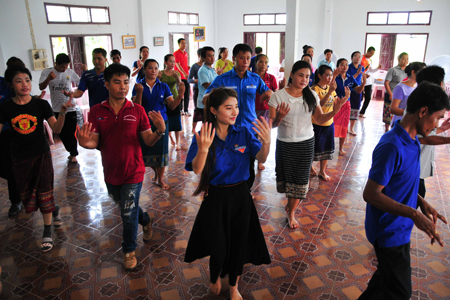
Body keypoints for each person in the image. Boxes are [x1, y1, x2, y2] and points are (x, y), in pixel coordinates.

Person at [358, 81, 449, 300]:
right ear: (423, 111)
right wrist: (413, 213)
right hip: (389, 231)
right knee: (400, 292)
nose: (437, 124)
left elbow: (398, 183)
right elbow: (370, 194)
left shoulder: (413, 139)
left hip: (400, 227)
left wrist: (420, 201)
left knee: (383, 283)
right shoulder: (392, 146)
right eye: (437, 117)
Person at [185, 87, 272, 299]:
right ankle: (214, 274)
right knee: (219, 245)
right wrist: (204, 149)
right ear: (214, 110)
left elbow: (261, 157)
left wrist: (267, 141)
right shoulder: (205, 135)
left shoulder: (243, 132)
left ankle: (233, 287)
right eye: (228, 108)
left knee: (238, 245)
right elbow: (196, 169)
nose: (235, 112)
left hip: (241, 197)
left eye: (236, 107)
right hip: (216, 198)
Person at [78, 64, 166, 270]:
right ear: (107, 84)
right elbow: (95, 141)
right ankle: (146, 220)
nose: (123, 86)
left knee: (127, 214)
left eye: (126, 82)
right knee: (128, 207)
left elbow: (148, 140)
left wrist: (160, 131)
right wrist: (84, 143)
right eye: (117, 82)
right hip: (111, 172)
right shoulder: (97, 111)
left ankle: (128, 250)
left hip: (134, 170)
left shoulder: (137, 110)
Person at [269, 60, 346, 229]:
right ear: (292, 75)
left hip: (306, 142)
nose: (304, 79)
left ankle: (291, 212)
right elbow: (272, 124)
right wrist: (280, 117)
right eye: (301, 75)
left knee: (301, 180)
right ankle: (290, 206)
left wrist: (334, 111)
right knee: (289, 179)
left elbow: (318, 119)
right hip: (285, 143)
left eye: (307, 76)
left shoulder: (312, 95)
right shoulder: (278, 96)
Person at [0, 67, 70, 252]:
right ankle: (52, 209)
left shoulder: (40, 105)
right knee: (27, 197)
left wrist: (62, 112)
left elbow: (56, 130)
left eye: (27, 80)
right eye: (19, 81)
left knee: (45, 191)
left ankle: (47, 232)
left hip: (42, 155)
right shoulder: (5, 107)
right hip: (20, 158)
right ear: (11, 84)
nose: (24, 84)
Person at [205, 43, 273, 190]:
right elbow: (207, 96)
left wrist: (269, 94)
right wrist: (213, 98)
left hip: (249, 129)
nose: (245, 62)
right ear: (234, 59)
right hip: (228, 129)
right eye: (242, 58)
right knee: (229, 161)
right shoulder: (223, 79)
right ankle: (227, 189)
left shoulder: (254, 79)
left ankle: (245, 191)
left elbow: (268, 92)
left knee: (249, 163)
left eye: (248, 58)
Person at [132, 59, 184, 190]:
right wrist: (139, 93)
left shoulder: (163, 86)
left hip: (162, 123)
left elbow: (171, 105)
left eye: (156, 68)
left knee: (161, 152)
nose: (153, 71)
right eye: (150, 68)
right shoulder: (139, 86)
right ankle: (156, 174)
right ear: (144, 70)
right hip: (145, 124)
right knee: (148, 151)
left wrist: (181, 94)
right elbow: (137, 107)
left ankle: (160, 179)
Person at [415, 65, 450, 198]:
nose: (436, 123)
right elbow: (422, 138)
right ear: (440, 84)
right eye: (437, 118)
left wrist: (441, 129)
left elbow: (425, 133)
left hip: (418, 165)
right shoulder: (422, 105)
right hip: (413, 166)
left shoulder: (420, 100)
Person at [39, 53, 80, 163]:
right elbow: (41, 86)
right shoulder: (47, 72)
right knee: (61, 132)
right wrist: (48, 78)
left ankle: (74, 154)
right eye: (62, 66)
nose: (64, 69)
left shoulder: (70, 72)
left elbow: (81, 84)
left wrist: (73, 92)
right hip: (56, 108)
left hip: (70, 107)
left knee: (71, 132)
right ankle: (70, 150)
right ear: (56, 63)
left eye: (66, 66)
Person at [310, 65, 341, 181]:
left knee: (327, 148)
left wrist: (344, 99)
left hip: (329, 123)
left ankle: (322, 171)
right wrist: (329, 93)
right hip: (316, 124)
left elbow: (335, 103)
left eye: (331, 75)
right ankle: (310, 167)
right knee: (314, 148)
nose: (329, 77)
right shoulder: (314, 89)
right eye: (327, 75)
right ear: (319, 75)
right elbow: (319, 107)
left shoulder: (330, 88)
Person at [254, 53, 279, 170]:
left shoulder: (271, 78)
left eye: (265, 62)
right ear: (256, 63)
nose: (263, 64)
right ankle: (250, 158)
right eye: (261, 62)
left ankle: (260, 161)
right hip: (252, 111)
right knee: (253, 135)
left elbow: (275, 93)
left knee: (263, 136)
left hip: (265, 111)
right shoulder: (251, 77)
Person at [334, 58, 364, 155]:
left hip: (346, 105)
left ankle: (341, 148)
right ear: (338, 66)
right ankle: (328, 147)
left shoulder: (350, 78)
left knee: (344, 126)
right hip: (335, 105)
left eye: (346, 64)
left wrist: (363, 82)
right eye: (342, 64)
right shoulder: (334, 77)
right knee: (331, 126)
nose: (345, 66)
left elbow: (358, 90)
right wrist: (334, 76)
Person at [159, 54, 183, 150]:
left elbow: (180, 85)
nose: (172, 63)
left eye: (174, 61)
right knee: (166, 120)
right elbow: (157, 84)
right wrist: (159, 78)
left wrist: (177, 78)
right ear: (165, 62)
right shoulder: (160, 73)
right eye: (170, 61)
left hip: (175, 98)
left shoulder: (177, 73)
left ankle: (177, 142)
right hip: (163, 100)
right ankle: (170, 139)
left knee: (176, 120)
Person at [383, 52, 409, 132]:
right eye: (403, 58)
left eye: (407, 59)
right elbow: (386, 83)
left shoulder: (408, 71)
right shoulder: (393, 70)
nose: (405, 60)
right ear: (399, 59)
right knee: (389, 111)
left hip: (402, 95)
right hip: (392, 93)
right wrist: (391, 94)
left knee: (399, 111)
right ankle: (387, 129)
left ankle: (396, 127)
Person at [196, 47, 217, 135]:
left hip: (212, 101)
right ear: (203, 58)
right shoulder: (202, 71)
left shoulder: (212, 69)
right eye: (209, 56)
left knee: (213, 126)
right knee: (208, 126)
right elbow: (207, 86)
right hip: (204, 103)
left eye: (213, 55)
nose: (212, 58)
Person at [347, 51, 367, 135]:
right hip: (349, 90)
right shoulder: (348, 67)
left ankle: (351, 128)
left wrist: (363, 88)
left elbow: (361, 78)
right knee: (347, 108)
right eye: (355, 56)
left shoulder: (361, 67)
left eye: (359, 56)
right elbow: (349, 79)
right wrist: (357, 73)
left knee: (355, 109)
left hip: (358, 90)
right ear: (352, 58)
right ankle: (345, 126)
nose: (358, 58)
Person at [359, 46, 380, 118]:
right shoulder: (361, 58)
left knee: (368, 97)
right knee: (360, 98)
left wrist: (378, 68)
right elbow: (358, 70)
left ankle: (362, 112)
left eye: (373, 54)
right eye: (371, 53)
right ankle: (355, 110)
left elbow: (370, 71)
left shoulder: (370, 60)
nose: (371, 55)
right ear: (367, 51)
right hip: (360, 80)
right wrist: (363, 75)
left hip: (368, 81)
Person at [173, 38, 191, 116]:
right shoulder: (176, 53)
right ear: (179, 44)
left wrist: (188, 68)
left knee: (187, 94)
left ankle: (186, 110)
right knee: (179, 94)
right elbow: (178, 65)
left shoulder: (186, 53)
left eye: (185, 43)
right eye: (182, 43)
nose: (184, 45)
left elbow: (184, 64)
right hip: (179, 77)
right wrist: (184, 73)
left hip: (186, 77)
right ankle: (180, 110)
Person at [189, 48, 203, 133]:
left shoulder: (208, 67)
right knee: (197, 108)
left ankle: (203, 128)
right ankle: (193, 128)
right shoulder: (195, 66)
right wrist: (195, 80)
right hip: (197, 89)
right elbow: (189, 79)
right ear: (199, 56)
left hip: (205, 90)